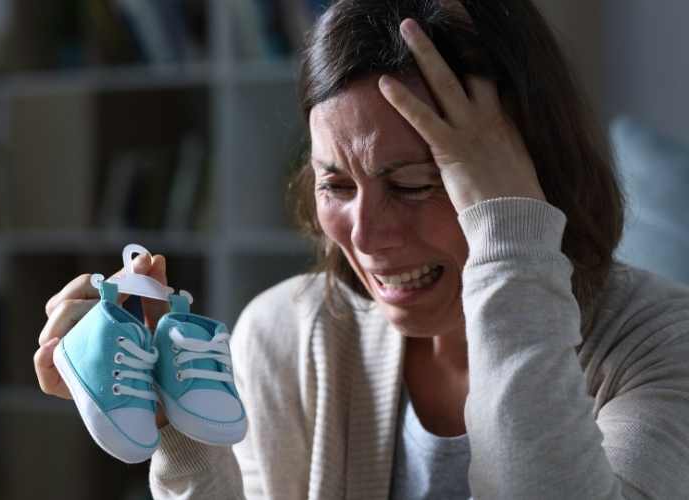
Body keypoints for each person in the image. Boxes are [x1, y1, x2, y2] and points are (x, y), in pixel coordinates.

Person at [34, 0, 689, 498]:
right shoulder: (286, 335)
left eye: (414, 184)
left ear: (528, 174)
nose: (366, 236)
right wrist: (175, 428)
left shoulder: (661, 344)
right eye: (336, 185)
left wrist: (511, 233)